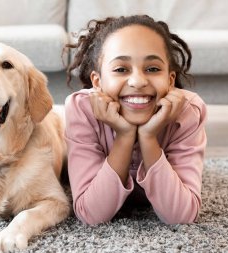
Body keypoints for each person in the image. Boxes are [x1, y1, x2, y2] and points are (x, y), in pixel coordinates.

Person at [64, 15, 207, 225]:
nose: (138, 81)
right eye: (121, 69)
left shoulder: (188, 111)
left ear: (170, 80)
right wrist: (124, 136)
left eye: (152, 69)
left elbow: (181, 216)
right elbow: (91, 215)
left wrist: (149, 138)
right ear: (97, 82)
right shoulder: (82, 109)